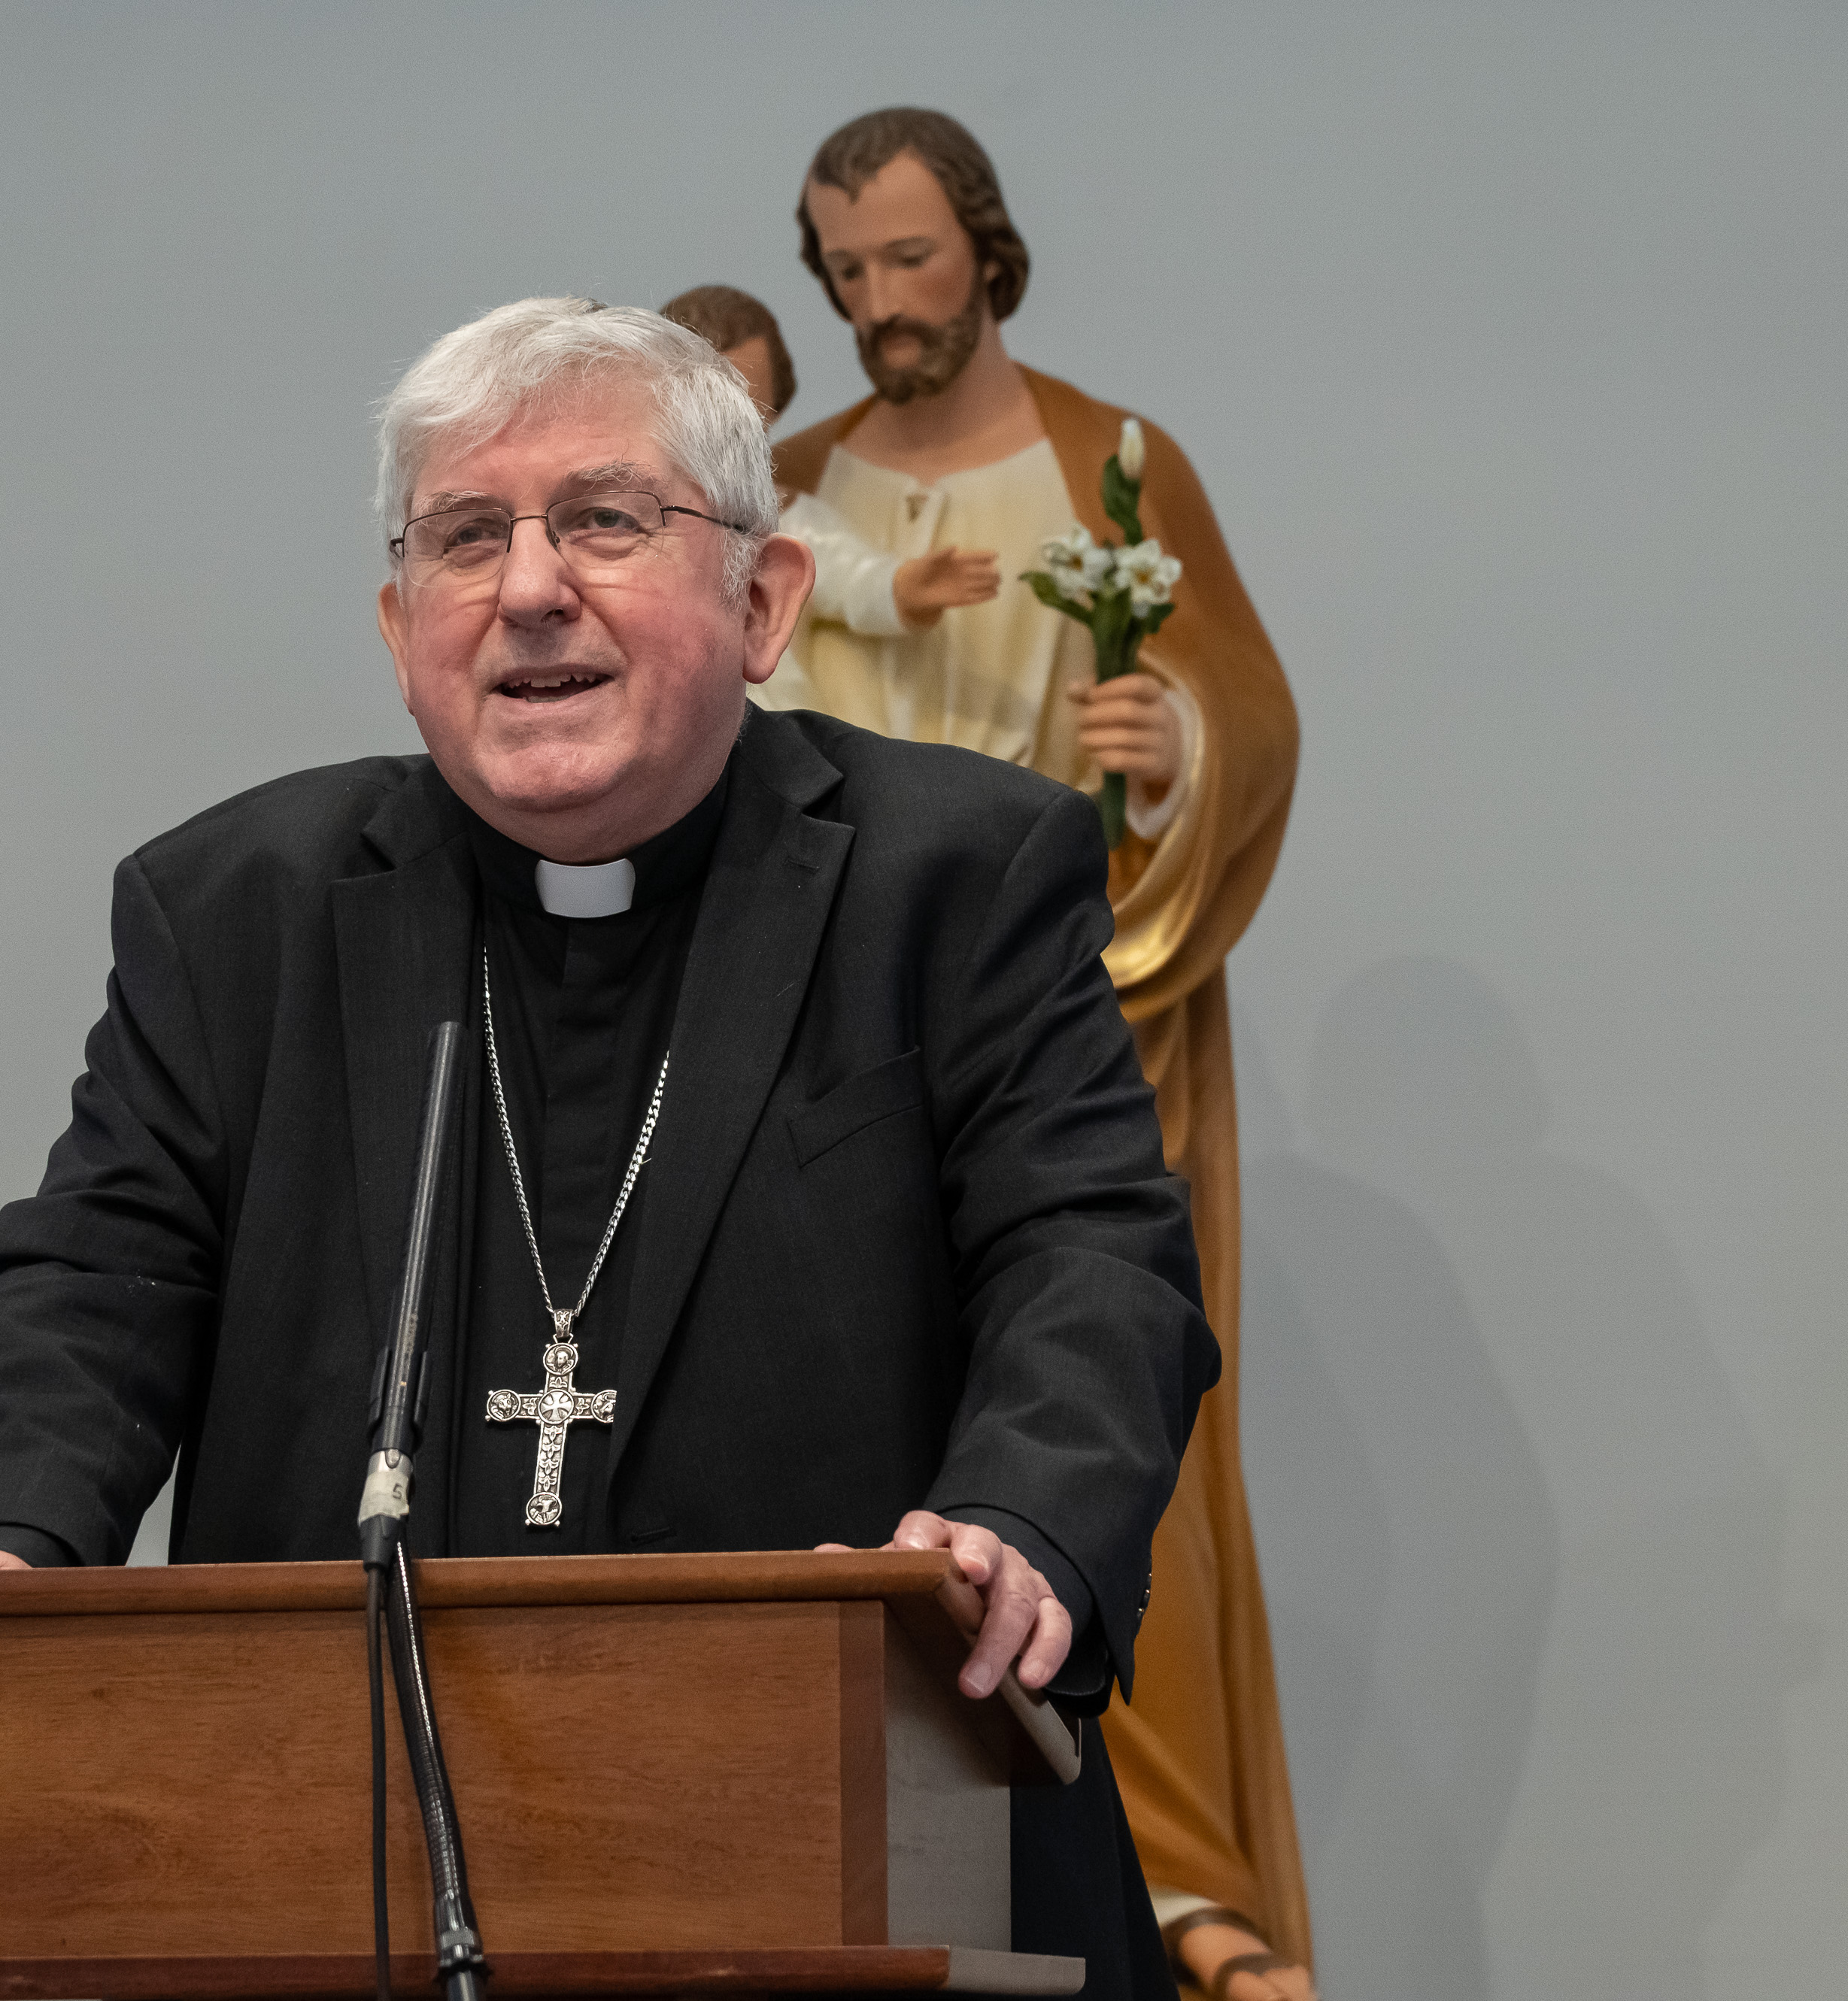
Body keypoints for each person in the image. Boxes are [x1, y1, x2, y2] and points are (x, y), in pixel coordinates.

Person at [0, 296, 1218, 2001]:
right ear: (403, 620)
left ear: (765, 601)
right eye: (466, 538)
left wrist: (1017, 1520)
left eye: (605, 521)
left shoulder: (954, 881)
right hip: (331, 1894)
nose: (530, 587)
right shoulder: (239, 918)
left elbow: (1091, 1256)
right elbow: (95, 1270)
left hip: (885, 1879)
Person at [772, 110, 1311, 2001]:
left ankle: (1166, 1881)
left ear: (986, 250)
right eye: (843, 272)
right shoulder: (789, 487)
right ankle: (827, 1855)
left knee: (1083, 1433)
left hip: (1060, 1025)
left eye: (908, 260)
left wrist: (1179, 749)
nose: (877, 305)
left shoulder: (1109, 465)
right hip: (824, 1059)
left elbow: (1236, 705)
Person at [657, 283, 999, 653]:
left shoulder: (788, 522)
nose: (733, 440)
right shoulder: (633, 507)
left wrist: (899, 588)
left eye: (754, 422)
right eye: (711, 418)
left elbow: (848, 576)